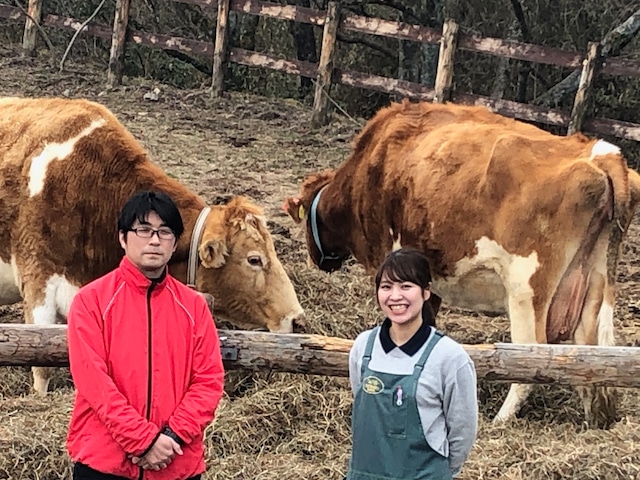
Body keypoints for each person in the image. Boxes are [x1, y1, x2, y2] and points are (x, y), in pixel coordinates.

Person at [66, 191, 225, 480]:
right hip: (105, 463)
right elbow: (94, 381)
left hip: (175, 462)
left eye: (165, 232)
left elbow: (209, 381)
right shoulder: (91, 301)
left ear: (175, 243)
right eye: (144, 230)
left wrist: (173, 436)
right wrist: (144, 440)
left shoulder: (194, 307)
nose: (154, 240)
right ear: (123, 238)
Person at [347, 247, 478, 480]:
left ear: (426, 292)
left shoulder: (449, 357)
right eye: (386, 287)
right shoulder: (363, 348)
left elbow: (462, 431)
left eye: (406, 286)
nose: (395, 296)